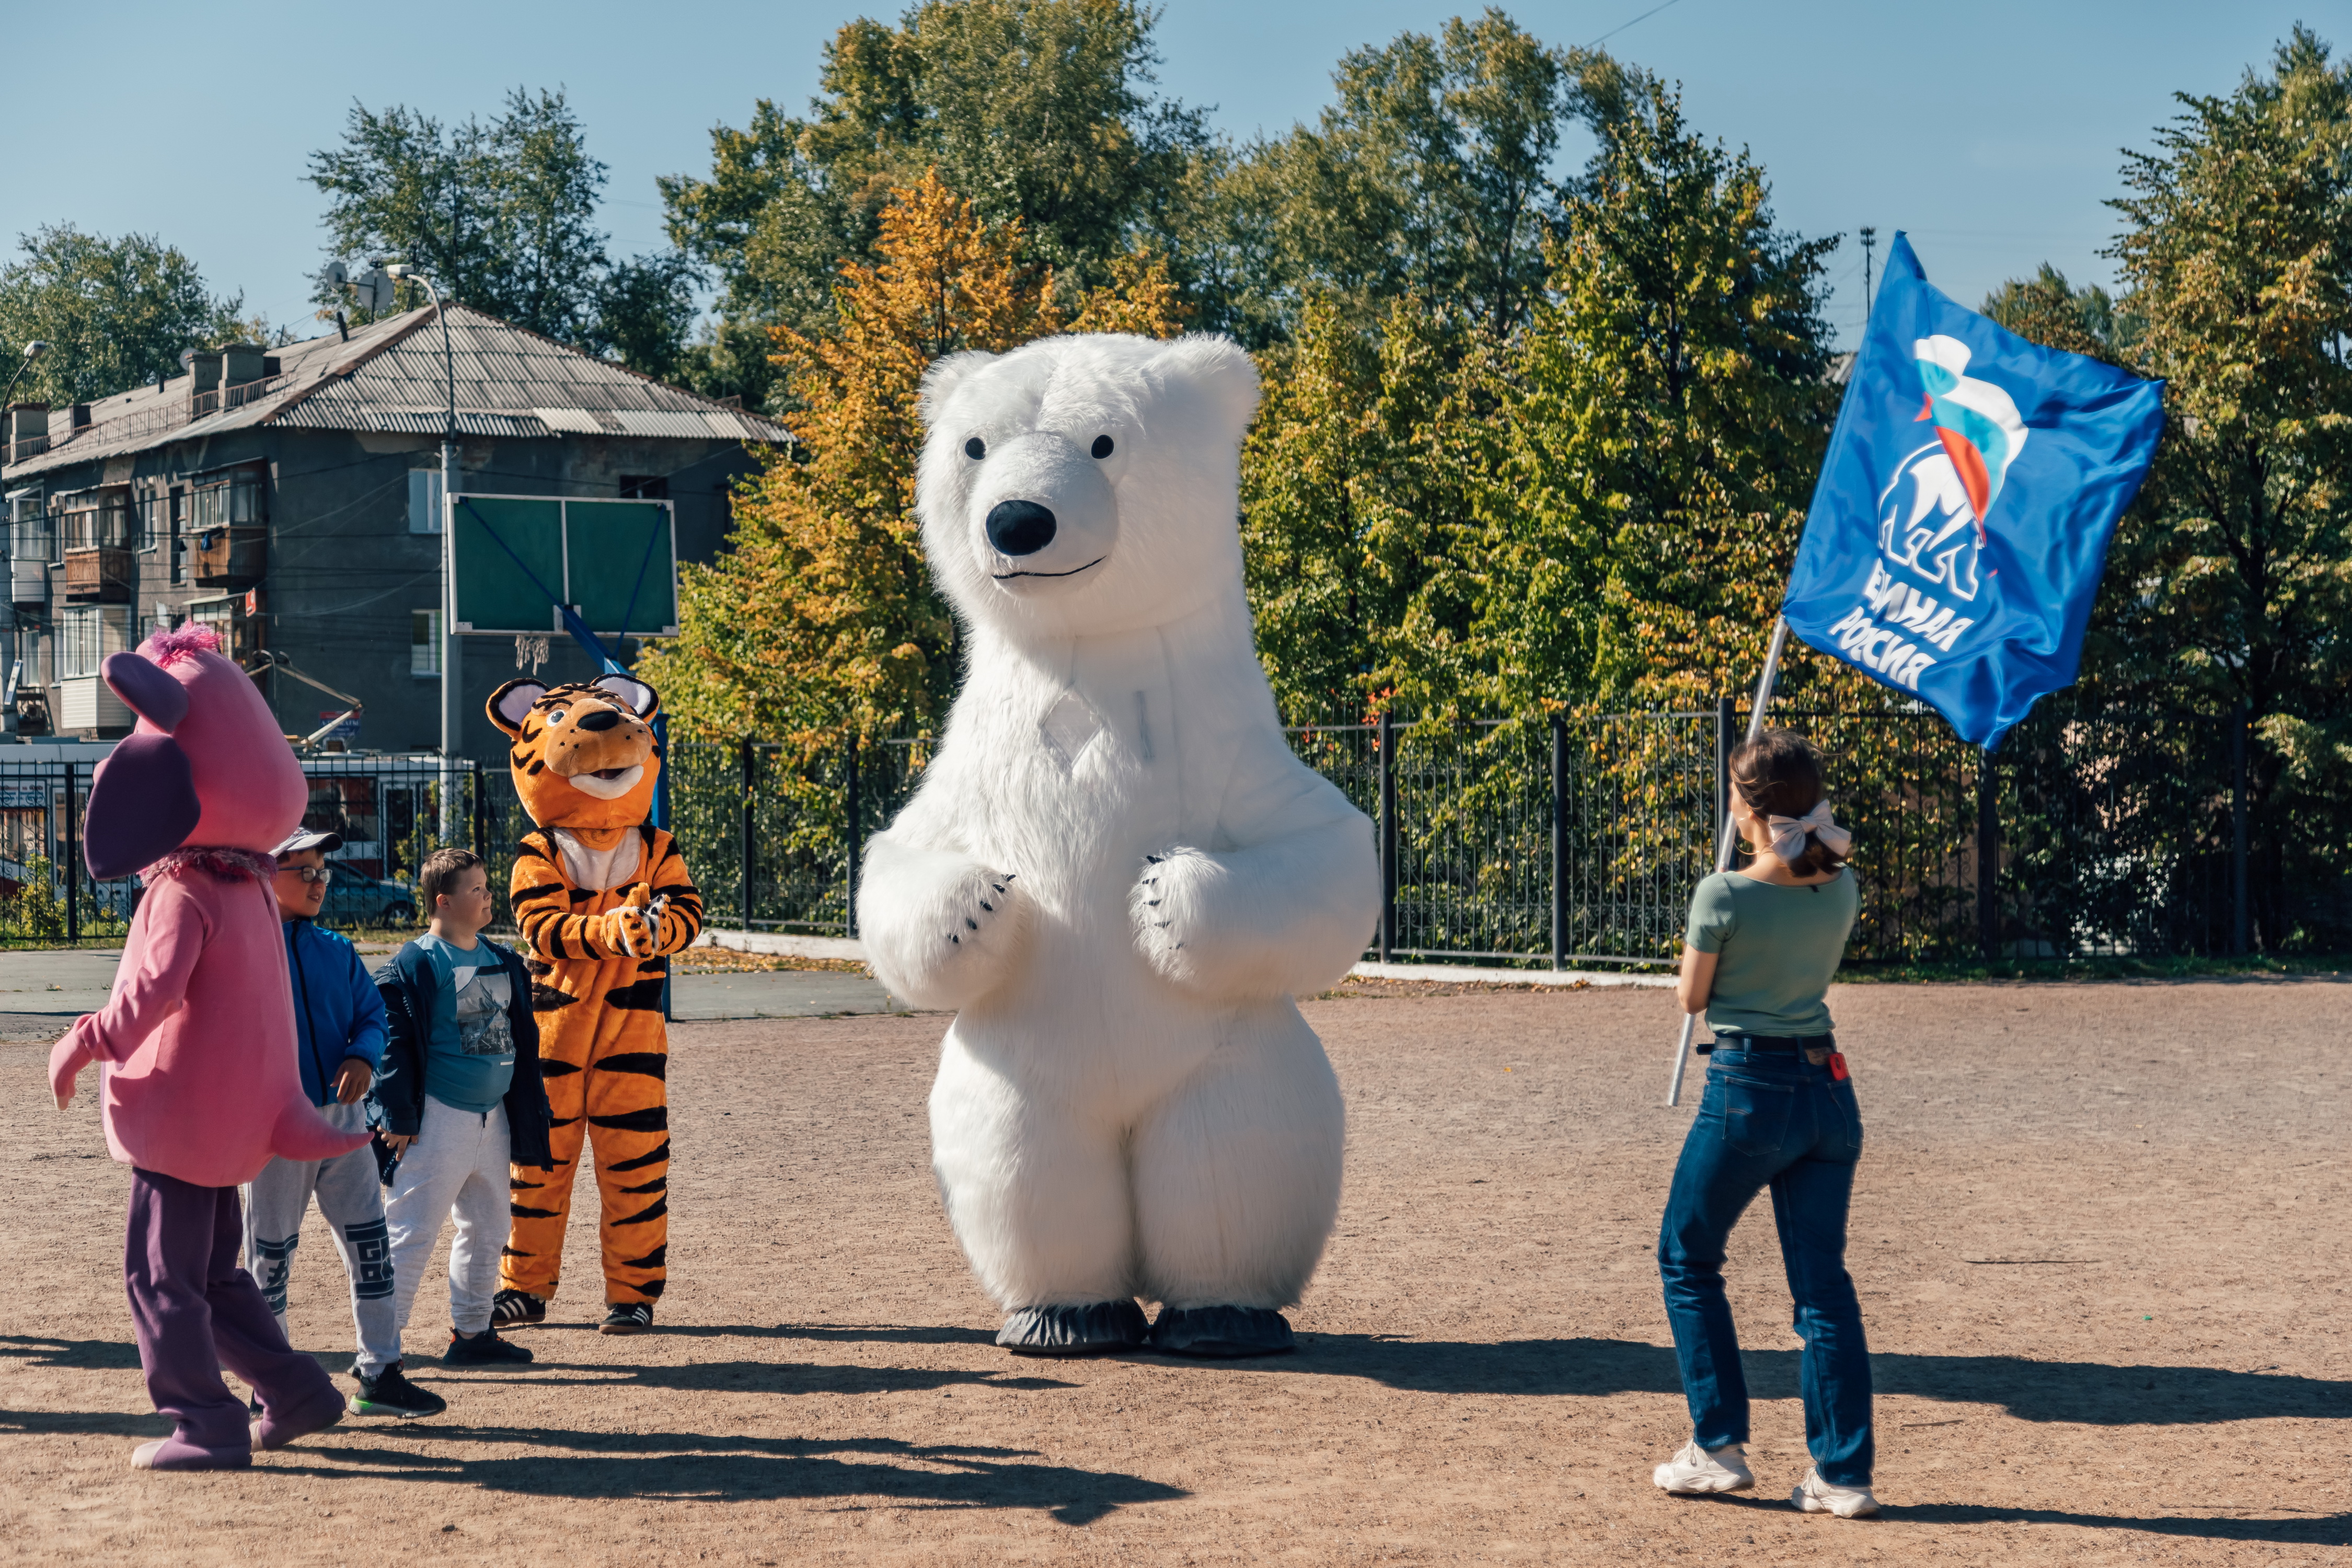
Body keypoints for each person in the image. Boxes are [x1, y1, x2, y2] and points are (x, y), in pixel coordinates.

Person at [1651, 727, 1877, 1519]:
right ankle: (1843, 1473)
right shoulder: (1840, 886)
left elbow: (1691, 999)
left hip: (1749, 1086)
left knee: (1687, 1255)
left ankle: (1717, 1445)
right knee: (1823, 1289)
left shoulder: (1724, 894)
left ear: (1744, 807)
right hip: (1827, 1087)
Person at [243, 828, 445, 1419]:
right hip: (276, 1129)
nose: (317, 881)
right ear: (262, 874)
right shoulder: (243, 949)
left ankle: (380, 1374)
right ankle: (269, 1384)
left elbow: (371, 1012)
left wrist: (362, 1054)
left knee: (371, 1247)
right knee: (269, 1261)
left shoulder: (335, 947)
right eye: (301, 870)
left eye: (322, 871)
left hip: (344, 1124)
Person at [374, 847, 551, 1368]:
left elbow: (516, 1036)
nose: (489, 896)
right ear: (444, 903)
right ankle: (380, 1352)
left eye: (487, 887)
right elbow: (394, 1046)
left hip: (491, 1117)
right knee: (410, 1234)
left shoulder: (499, 959)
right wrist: (399, 1116)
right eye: (477, 890)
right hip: (437, 1120)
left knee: (488, 1227)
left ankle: (473, 1334)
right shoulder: (415, 964)